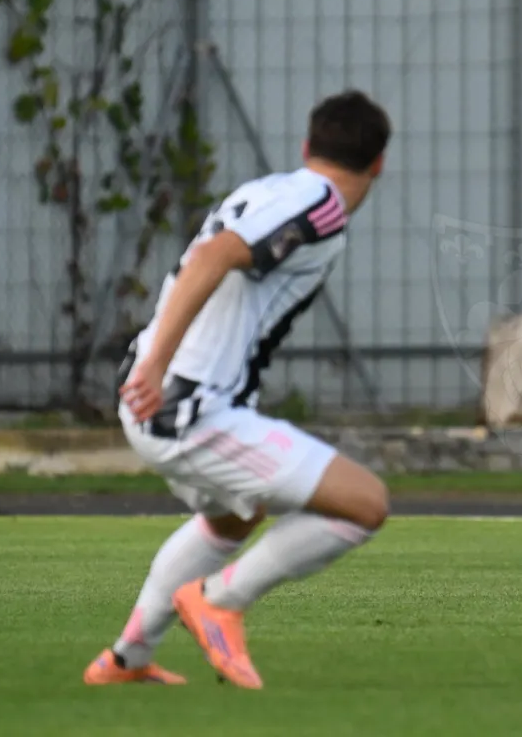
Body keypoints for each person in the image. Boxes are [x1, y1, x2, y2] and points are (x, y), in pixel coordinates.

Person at [82, 90, 393, 689]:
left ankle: (127, 659)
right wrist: (158, 369)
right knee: (365, 504)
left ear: (307, 147)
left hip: (160, 397)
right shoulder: (322, 204)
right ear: (379, 163)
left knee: (232, 516)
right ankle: (221, 601)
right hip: (186, 406)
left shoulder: (270, 189)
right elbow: (213, 256)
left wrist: (148, 368)